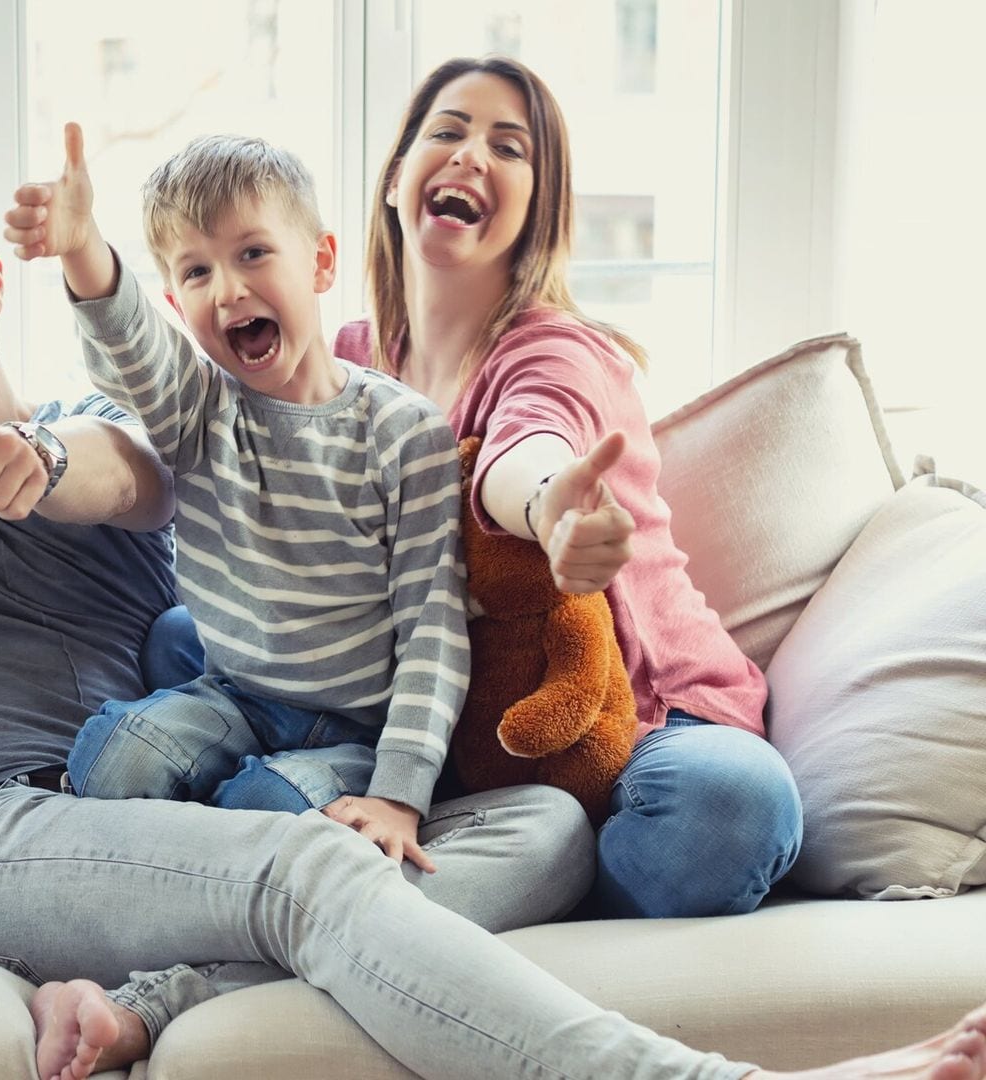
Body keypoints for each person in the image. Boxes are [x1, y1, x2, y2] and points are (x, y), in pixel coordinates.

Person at [0, 158, 986, 1080]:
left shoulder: (137, 420)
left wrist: (42, 462)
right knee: (306, 866)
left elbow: (118, 466)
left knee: (549, 830)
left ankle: (161, 996)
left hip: (180, 826)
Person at [326, 54, 803, 920]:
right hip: (467, 748)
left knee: (730, 812)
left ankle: (547, 861)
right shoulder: (346, 364)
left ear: (538, 207)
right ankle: (526, 855)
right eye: (449, 131)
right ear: (396, 177)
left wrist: (551, 510)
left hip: (659, 728)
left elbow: (528, 443)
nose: (472, 155)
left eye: (509, 147)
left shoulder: (556, 350)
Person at [25, 124, 467, 874]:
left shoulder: (404, 431)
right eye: (197, 273)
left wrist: (400, 793)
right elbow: (134, 345)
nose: (227, 289)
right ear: (174, 296)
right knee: (112, 762)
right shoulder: (196, 407)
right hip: (234, 693)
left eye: (253, 253)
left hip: (354, 731)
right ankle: (185, 834)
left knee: (260, 811)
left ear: (321, 262)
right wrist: (82, 250)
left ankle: (216, 836)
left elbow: (434, 628)